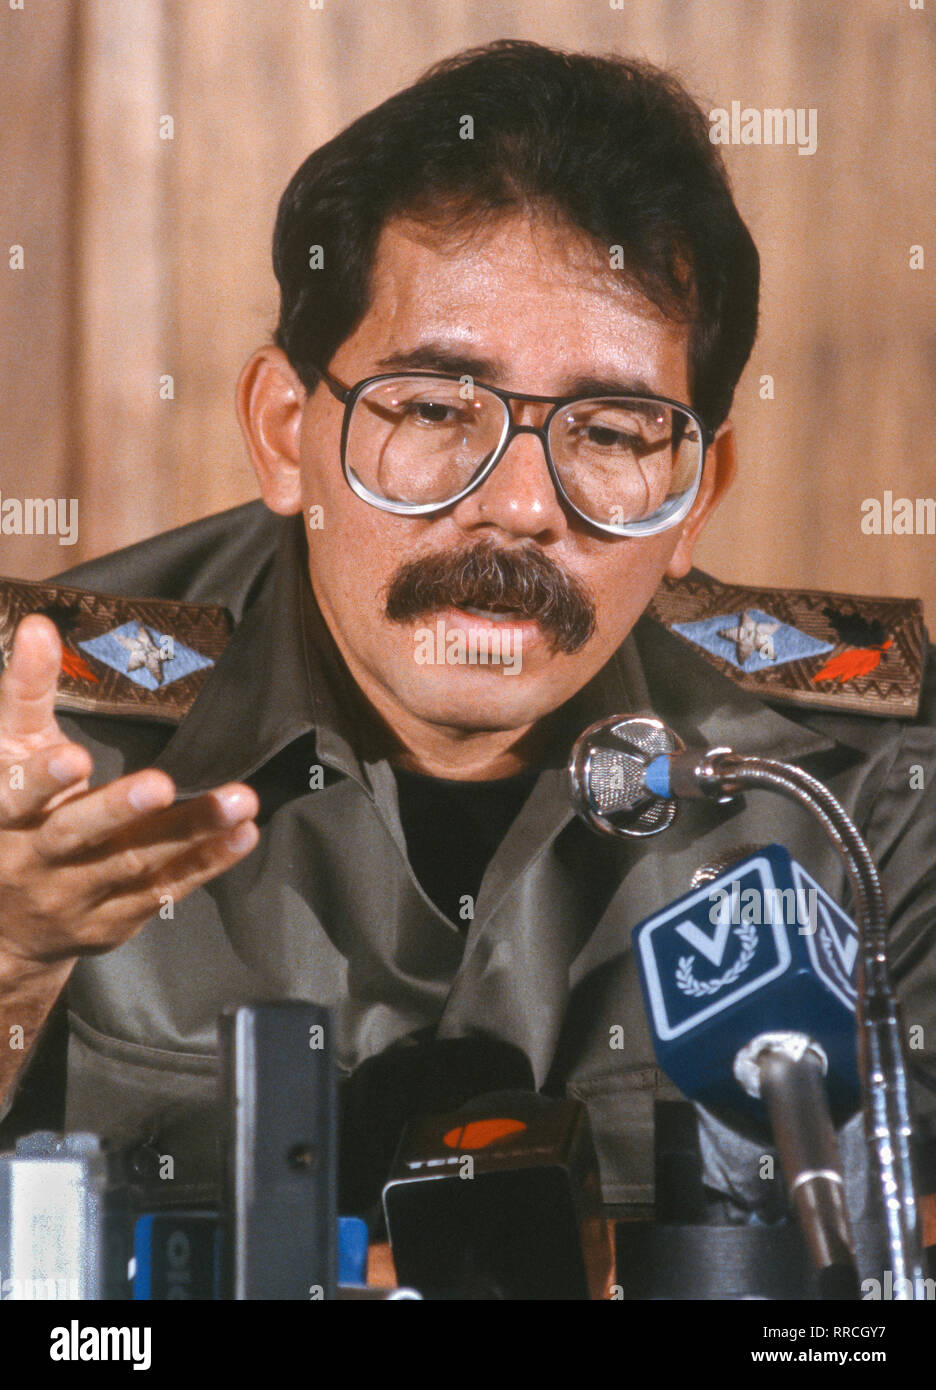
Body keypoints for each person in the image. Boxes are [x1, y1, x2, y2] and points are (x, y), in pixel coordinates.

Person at [0, 41, 933, 1233]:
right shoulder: (42, 743)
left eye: (611, 431)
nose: (522, 504)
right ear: (287, 433)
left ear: (699, 489)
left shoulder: (863, 780)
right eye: (437, 408)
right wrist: (12, 959)